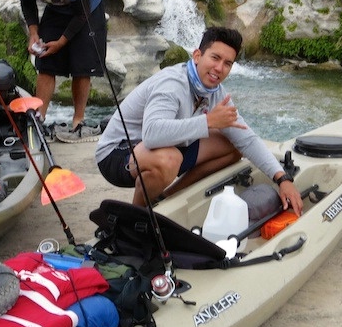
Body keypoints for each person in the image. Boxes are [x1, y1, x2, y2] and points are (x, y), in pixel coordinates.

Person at [95, 26, 303, 215]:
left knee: (233, 146)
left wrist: (281, 178)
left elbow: (247, 138)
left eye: (227, 63)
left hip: (161, 149)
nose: (219, 68)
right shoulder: (172, 83)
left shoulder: (215, 92)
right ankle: (137, 215)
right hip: (117, 155)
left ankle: (166, 198)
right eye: (215, 58)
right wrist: (208, 122)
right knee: (170, 159)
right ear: (197, 55)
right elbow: (151, 134)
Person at [0, 0, 107, 143]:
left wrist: (61, 42)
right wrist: (33, 33)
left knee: (81, 65)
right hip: (58, 6)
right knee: (45, 61)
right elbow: (28, 4)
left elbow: (82, 12)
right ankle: (39, 119)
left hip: (87, 6)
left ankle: (78, 122)